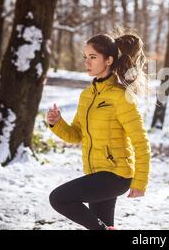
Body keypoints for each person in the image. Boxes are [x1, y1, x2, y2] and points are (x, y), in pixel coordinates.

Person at [47, 32, 151, 230]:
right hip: (95, 173)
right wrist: (57, 123)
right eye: (85, 57)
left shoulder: (121, 96)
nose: (87, 62)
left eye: (93, 57)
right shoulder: (86, 96)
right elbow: (76, 134)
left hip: (116, 175)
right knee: (100, 224)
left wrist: (140, 181)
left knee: (59, 198)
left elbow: (141, 141)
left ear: (109, 60)